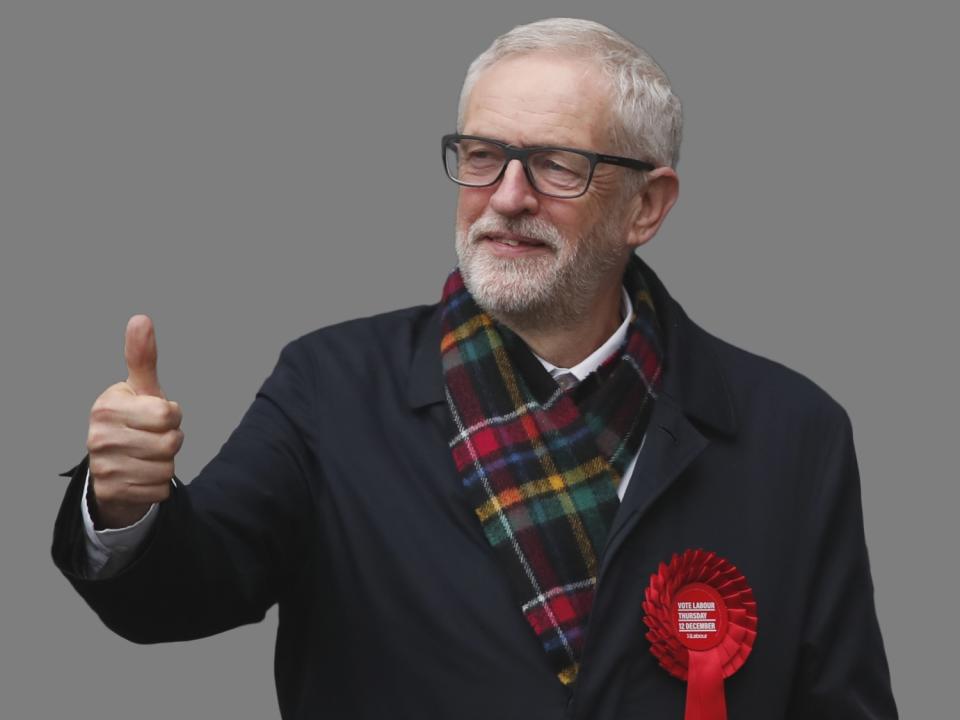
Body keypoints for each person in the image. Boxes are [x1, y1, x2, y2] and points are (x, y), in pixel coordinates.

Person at [51, 17, 898, 720]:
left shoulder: (793, 432)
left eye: (559, 164)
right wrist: (125, 506)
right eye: (483, 154)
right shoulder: (331, 386)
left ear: (647, 205)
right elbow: (184, 594)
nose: (507, 195)